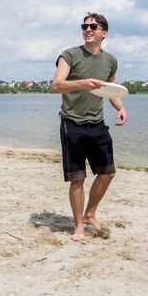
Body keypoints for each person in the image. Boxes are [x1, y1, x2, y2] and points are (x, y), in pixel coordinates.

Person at [52, 12, 128, 241]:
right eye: (84, 26)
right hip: (72, 123)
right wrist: (83, 83)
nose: (87, 29)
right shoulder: (69, 55)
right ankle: (78, 227)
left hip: (97, 124)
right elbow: (56, 85)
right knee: (78, 177)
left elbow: (111, 90)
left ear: (103, 33)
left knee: (108, 173)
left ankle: (90, 213)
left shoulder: (110, 60)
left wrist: (120, 108)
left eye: (93, 26)